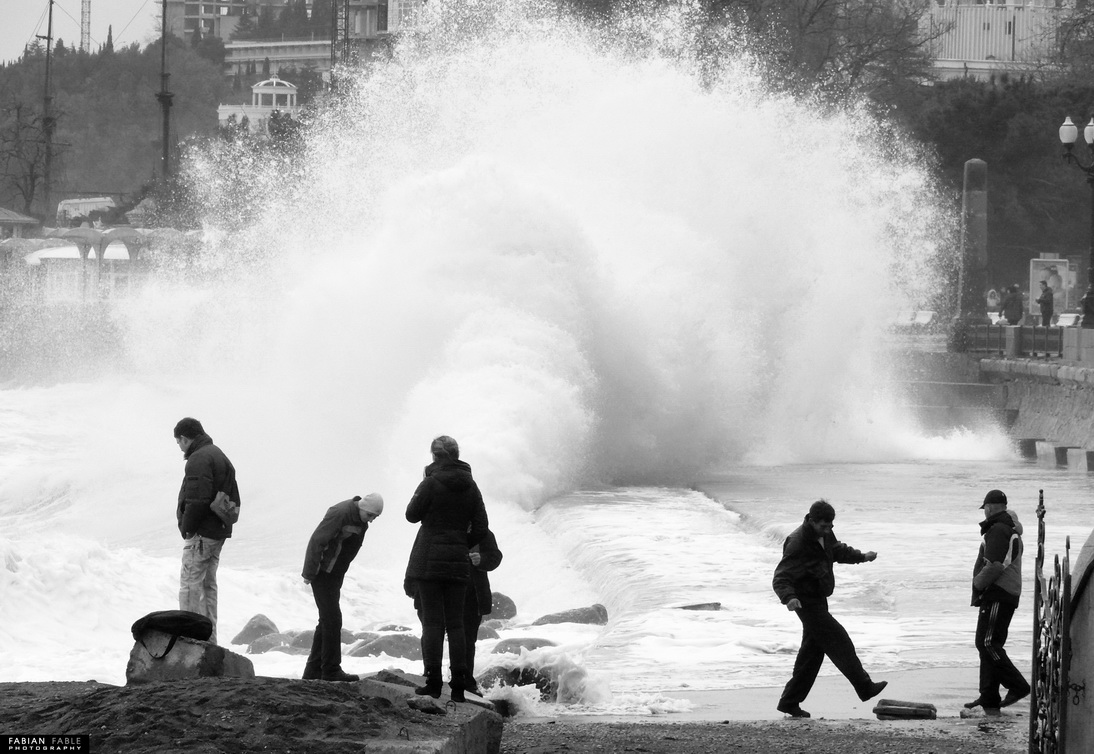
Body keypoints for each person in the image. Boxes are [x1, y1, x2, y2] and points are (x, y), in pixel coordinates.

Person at [771, 500, 887, 718]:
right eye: (824, 526)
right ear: (812, 521)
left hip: (819, 597)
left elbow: (836, 551)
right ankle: (864, 686)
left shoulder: (824, 534)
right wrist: (789, 598)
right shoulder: (798, 542)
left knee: (811, 654)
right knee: (839, 639)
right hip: (805, 601)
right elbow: (781, 576)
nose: (828, 530)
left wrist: (861, 557)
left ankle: (789, 702)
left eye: (830, 526)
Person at [404, 435, 489, 703]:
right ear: (457, 454)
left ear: (434, 456)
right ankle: (459, 686)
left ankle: (433, 683)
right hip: (458, 562)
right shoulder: (471, 486)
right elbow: (481, 527)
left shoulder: (430, 482)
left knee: (432, 623)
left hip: (429, 560)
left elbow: (411, 515)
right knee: (456, 624)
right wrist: (462, 542)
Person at [301, 494, 384, 682]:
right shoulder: (340, 513)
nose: (371, 520)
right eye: (370, 515)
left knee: (326, 620)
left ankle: (313, 671)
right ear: (362, 507)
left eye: (374, 517)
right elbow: (317, 541)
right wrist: (309, 572)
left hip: (335, 575)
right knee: (333, 619)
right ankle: (331, 671)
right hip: (322, 573)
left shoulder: (361, 520)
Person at [174, 417, 240, 644]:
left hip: (201, 534)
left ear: (184, 438)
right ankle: (209, 641)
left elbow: (197, 500)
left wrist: (187, 528)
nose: (180, 448)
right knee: (207, 586)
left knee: (190, 585)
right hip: (217, 533)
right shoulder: (219, 454)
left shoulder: (198, 459)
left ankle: (190, 640)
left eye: (179, 443)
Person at [964, 489, 1030, 715]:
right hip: (1004, 594)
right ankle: (989, 696)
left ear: (990, 507)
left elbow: (994, 565)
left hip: (998, 594)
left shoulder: (999, 529)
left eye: (985, 509)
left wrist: (978, 583)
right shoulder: (1008, 528)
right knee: (988, 644)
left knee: (987, 644)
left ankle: (1018, 685)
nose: (985, 513)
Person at [463, 529, 503, 696]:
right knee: (437, 635)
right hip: (447, 592)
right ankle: (433, 677)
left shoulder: (484, 533)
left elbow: (495, 556)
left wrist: (482, 560)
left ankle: (466, 681)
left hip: (474, 595)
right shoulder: (447, 529)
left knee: (468, 639)